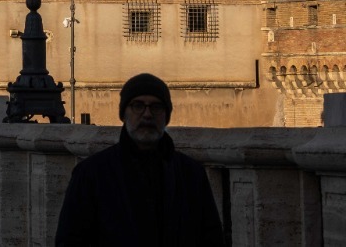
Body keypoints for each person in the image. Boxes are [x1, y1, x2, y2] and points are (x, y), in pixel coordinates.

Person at [55, 74, 224, 246]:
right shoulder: (91, 174)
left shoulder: (192, 174)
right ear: (123, 114)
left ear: (167, 115)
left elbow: (211, 237)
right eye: (138, 106)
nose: (147, 114)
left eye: (156, 107)